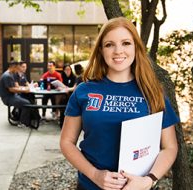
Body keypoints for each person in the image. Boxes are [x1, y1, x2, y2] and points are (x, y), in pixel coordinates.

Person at [60, 17, 179, 190]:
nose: (118, 51)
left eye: (126, 43)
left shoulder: (153, 92)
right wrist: (95, 175)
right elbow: (66, 142)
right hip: (90, 186)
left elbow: (170, 147)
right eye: (109, 44)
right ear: (101, 50)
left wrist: (148, 180)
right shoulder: (84, 91)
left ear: (136, 47)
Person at [0, 62, 32, 127]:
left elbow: (15, 87)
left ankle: (19, 117)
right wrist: (24, 90)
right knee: (27, 103)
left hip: (12, 95)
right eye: (17, 68)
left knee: (27, 99)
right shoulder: (7, 76)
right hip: (8, 97)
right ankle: (23, 122)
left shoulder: (10, 74)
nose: (17, 70)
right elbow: (11, 89)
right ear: (13, 67)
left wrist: (23, 88)